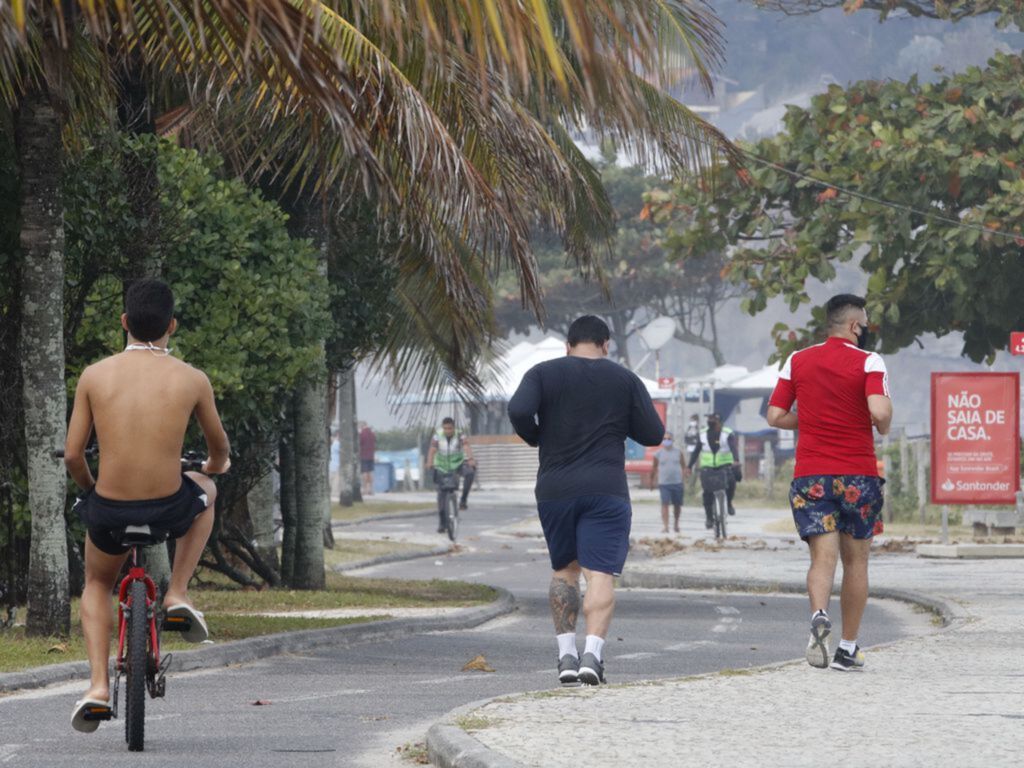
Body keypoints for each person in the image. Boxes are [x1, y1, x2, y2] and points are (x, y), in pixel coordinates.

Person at [63, 278, 230, 732]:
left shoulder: (94, 375)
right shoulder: (192, 378)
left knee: (97, 582)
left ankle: (97, 687)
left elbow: (74, 454)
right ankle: (177, 591)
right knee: (206, 491)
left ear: (124, 323)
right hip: (168, 508)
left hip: (111, 511)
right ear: (171, 326)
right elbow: (218, 450)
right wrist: (215, 465)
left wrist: (92, 488)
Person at [508, 315, 664, 686]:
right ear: (606, 344)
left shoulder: (543, 373)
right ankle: (592, 654)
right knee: (600, 571)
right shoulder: (624, 379)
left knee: (565, 570)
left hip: (555, 488)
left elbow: (517, 410)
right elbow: (653, 432)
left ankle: (566, 655)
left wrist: (537, 436)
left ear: (568, 345)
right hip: (605, 489)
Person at [766, 293, 892, 672]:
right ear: (856, 326)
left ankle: (819, 614)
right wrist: (880, 422)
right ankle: (847, 648)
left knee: (823, 558)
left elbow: (775, 415)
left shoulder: (798, 360)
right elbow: (879, 411)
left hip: (811, 475)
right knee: (856, 562)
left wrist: (814, 420)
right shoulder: (869, 361)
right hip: (858, 475)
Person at [687, 413, 740, 529]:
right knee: (707, 493)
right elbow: (696, 451)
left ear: (720, 422)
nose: (711, 421)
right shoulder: (702, 434)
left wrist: (736, 460)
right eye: (709, 419)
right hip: (707, 466)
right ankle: (709, 518)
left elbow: (733, 448)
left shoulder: (727, 433)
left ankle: (729, 503)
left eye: (714, 419)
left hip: (724, 464)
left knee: (731, 482)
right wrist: (689, 466)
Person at [426, 417, 476, 531]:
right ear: (442, 428)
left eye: (450, 428)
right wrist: (429, 462)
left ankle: (463, 500)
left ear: (454, 427)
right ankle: (442, 523)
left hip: (457, 465)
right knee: (441, 496)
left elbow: (466, 446)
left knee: (470, 473)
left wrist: (471, 458)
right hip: (442, 467)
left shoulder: (460, 435)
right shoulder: (437, 436)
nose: (448, 431)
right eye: (445, 428)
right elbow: (432, 450)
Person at [650, 432, 686, 534]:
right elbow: (654, 468)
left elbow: (683, 466)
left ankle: (676, 524)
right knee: (664, 504)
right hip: (664, 483)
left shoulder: (678, 452)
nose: (667, 441)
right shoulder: (658, 454)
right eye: (665, 439)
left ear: (672, 440)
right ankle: (665, 526)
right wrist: (652, 481)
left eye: (669, 439)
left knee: (677, 505)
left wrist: (683, 479)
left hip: (677, 483)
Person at [359, 422, 376, 496]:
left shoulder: (362, 434)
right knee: (370, 472)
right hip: (371, 456)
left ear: (362, 426)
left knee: (364, 473)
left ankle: (365, 489)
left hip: (363, 455)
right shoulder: (372, 434)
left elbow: (359, 443)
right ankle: (371, 489)